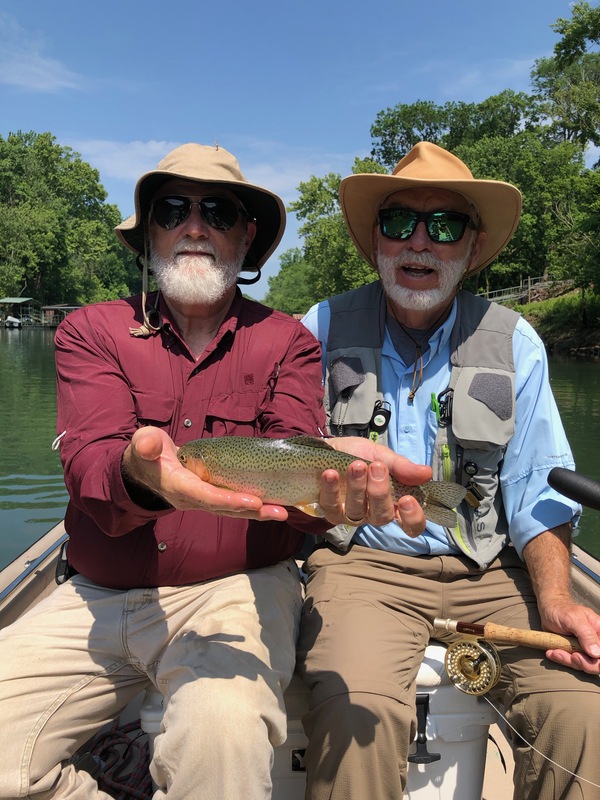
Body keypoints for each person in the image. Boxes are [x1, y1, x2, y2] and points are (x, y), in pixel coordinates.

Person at [0, 143, 429, 800]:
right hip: (97, 595)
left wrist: (337, 496)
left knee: (221, 734)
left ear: (246, 233)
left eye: (218, 211)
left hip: (238, 590)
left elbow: (300, 459)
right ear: (151, 229)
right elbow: (89, 463)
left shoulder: (290, 340)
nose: (194, 226)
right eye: (173, 209)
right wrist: (147, 477)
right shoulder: (91, 330)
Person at [297, 141, 600, 800]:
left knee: (584, 718)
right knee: (357, 717)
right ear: (376, 237)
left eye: (445, 225)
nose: (421, 242)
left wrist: (555, 600)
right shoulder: (316, 329)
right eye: (400, 221)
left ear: (473, 242)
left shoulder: (516, 341)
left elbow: (538, 492)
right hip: (361, 568)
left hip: (491, 569)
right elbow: (281, 457)